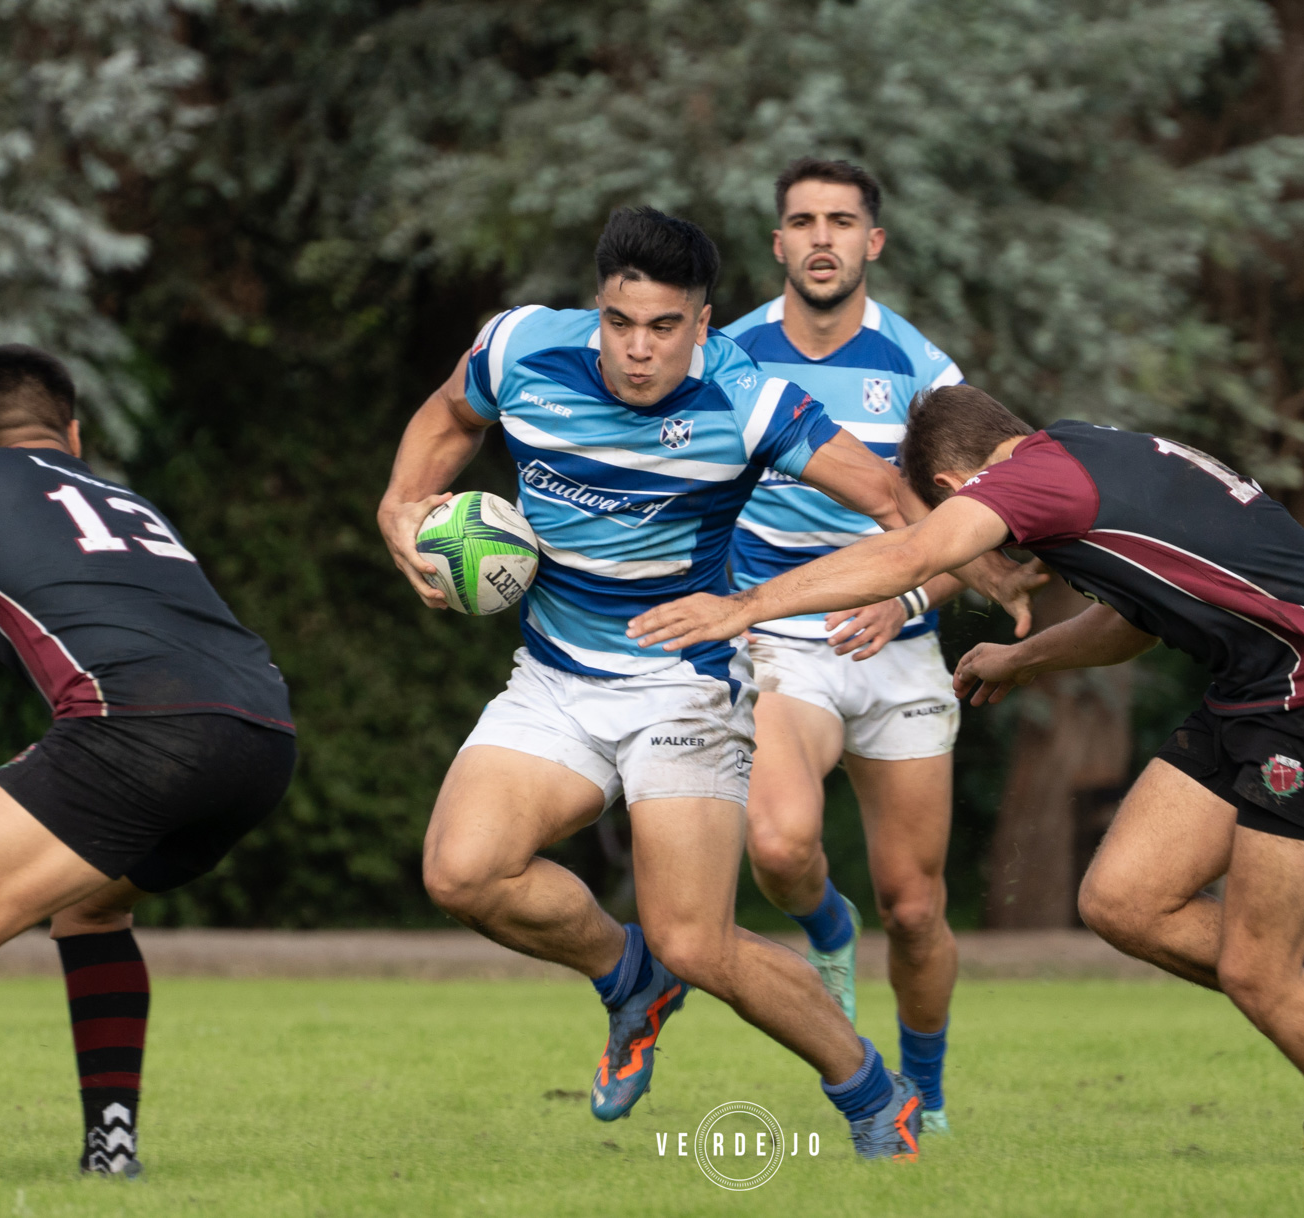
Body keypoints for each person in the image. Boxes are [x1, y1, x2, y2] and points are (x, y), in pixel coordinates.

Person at [628, 385, 1304, 1168]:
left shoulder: (1030, 482)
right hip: (1256, 694)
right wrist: (1027, 657)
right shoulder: (1087, 453)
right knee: (1124, 901)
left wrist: (742, 607)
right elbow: (1133, 621)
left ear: (958, 481)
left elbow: (914, 554)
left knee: (1258, 969)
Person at [377, 209, 1034, 1159]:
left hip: (681, 689)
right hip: (554, 677)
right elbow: (448, 415)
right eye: (619, 322)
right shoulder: (520, 346)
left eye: (664, 328)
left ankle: (869, 1090)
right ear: (595, 308)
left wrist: (976, 569)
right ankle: (628, 978)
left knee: (699, 940)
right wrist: (399, 511)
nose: (638, 351)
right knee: (463, 872)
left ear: (704, 321)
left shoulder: (751, 400)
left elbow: (897, 499)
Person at [0, 345, 298, 1188]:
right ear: (73, 436)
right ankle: (110, 1153)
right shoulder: (126, 499)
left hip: (137, 731)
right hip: (264, 734)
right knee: (92, 909)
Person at [721, 158, 977, 1133]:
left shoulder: (921, 372)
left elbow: (982, 531)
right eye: (802, 221)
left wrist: (907, 589)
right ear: (778, 243)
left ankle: (928, 1091)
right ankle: (829, 926)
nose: (821, 237)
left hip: (900, 644)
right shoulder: (726, 356)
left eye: (842, 221)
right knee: (781, 845)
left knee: (915, 909)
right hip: (780, 634)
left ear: (873, 242)